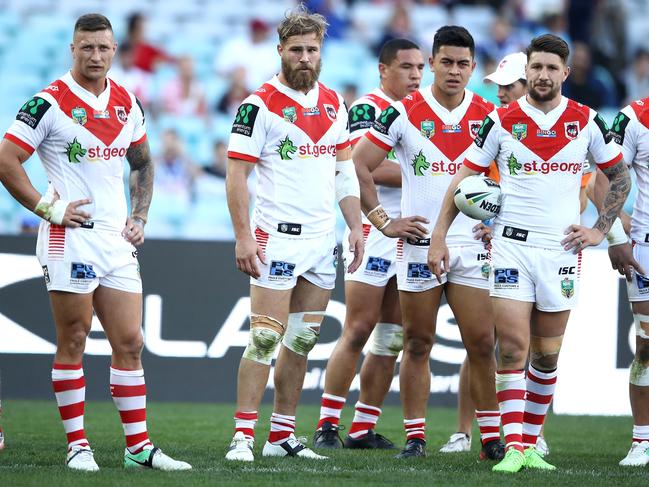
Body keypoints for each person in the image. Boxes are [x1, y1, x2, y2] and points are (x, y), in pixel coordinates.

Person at [428, 33, 630, 473]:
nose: (542, 75)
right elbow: (464, 177)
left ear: (565, 73)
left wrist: (600, 230)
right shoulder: (500, 120)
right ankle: (515, 446)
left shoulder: (586, 120)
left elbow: (619, 178)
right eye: (535, 68)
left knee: (546, 355)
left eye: (550, 68)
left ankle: (532, 442)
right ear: (528, 72)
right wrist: (440, 235)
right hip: (509, 247)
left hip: (560, 249)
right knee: (514, 348)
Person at [0, 14, 191, 472]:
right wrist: (50, 208)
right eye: (86, 48)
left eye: (103, 48)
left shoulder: (128, 102)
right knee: (75, 339)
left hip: (115, 242)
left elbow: (142, 164)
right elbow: (7, 160)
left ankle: (138, 448)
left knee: (130, 341)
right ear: (72, 49)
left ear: (114, 49)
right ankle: (77, 446)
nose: (96, 56)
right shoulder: (48, 103)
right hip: (70, 237)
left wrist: (140, 215)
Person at [354, 26, 503, 460]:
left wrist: (498, 219)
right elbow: (358, 165)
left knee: (480, 344)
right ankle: (416, 437)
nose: (454, 71)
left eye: (463, 64)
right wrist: (383, 221)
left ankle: (491, 439)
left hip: (472, 244)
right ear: (432, 63)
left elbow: (508, 177)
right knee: (416, 342)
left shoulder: (490, 115)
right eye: (446, 62)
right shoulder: (403, 112)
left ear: (474, 67)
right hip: (419, 243)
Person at [224, 6, 364, 462]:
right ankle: (242, 436)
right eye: (297, 49)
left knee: (301, 342)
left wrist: (356, 226)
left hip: (322, 242)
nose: (305, 57)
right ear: (280, 50)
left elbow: (344, 170)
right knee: (264, 338)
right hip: (276, 239)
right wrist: (244, 237)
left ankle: (281, 435)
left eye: (313, 49)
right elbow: (236, 176)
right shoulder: (258, 105)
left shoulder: (332, 103)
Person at [312, 38, 425, 450]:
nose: (415, 76)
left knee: (392, 336)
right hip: (374, 230)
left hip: (411, 232)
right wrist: (434, 173)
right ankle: (326, 425)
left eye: (419, 68)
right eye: (406, 67)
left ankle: (362, 428)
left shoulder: (424, 110)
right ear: (383, 70)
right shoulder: (367, 107)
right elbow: (366, 169)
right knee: (358, 328)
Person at [608, 97, 649, 466]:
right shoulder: (633, 118)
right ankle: (642, 440)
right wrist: (617, 234)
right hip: (647, 249)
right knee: (648, 346)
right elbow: (602, 179)